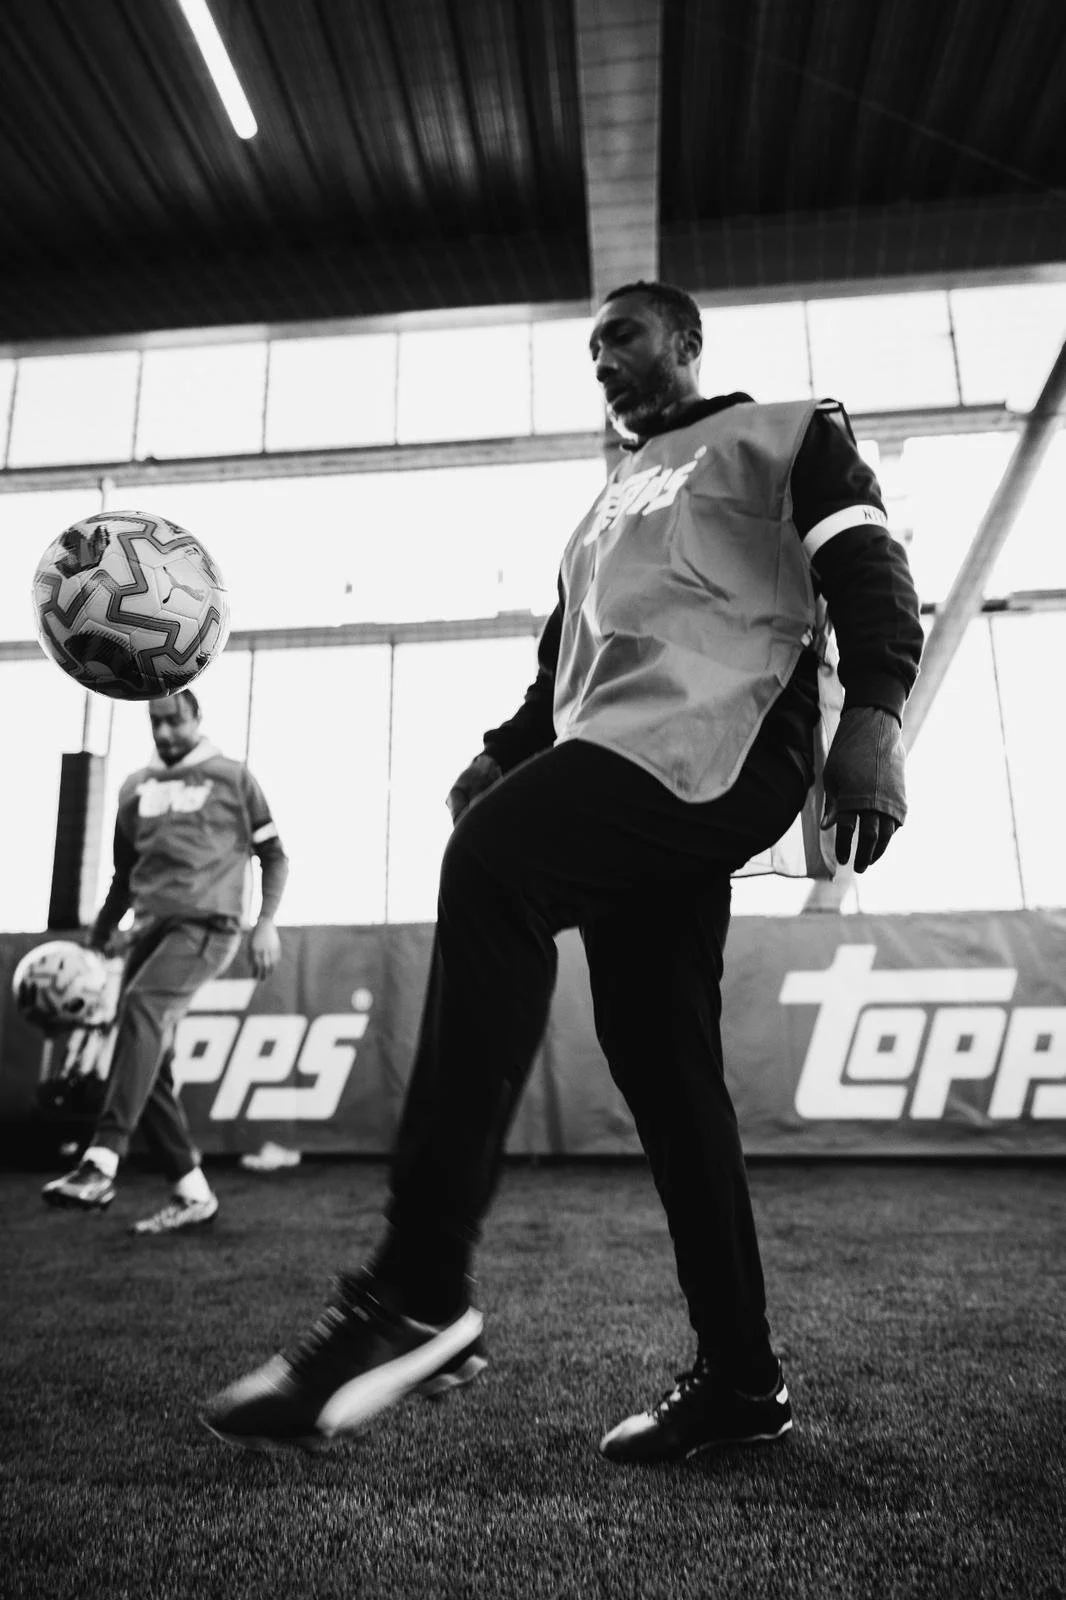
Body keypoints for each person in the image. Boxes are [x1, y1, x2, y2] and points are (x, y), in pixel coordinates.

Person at [203, 281, 923, 1458]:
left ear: (684, 341)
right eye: (591, 351)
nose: (603, 362)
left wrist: (877, 711)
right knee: (662, 1065)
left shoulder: (782, 428)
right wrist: (500, 755)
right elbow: (562, 680)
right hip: (620, 757)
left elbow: (865, 563)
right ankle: (744, 1383)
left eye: (623, 338)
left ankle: (419, 1288)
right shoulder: (602, 511)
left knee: (491, 870)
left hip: (721, 739)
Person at [42, 688, 289, 1235]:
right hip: (145, 932)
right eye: (155, 722)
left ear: (197, 716)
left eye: (174, 721)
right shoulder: (133, 789)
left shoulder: (233, 777)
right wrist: (98, 937)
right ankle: (192, 1192)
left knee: (141, 1009)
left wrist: (266, 920)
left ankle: (101, 1160)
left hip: (208, 925)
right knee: (146, 1058)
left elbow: (273, 854)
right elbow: (122, 879)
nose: (164, 732)